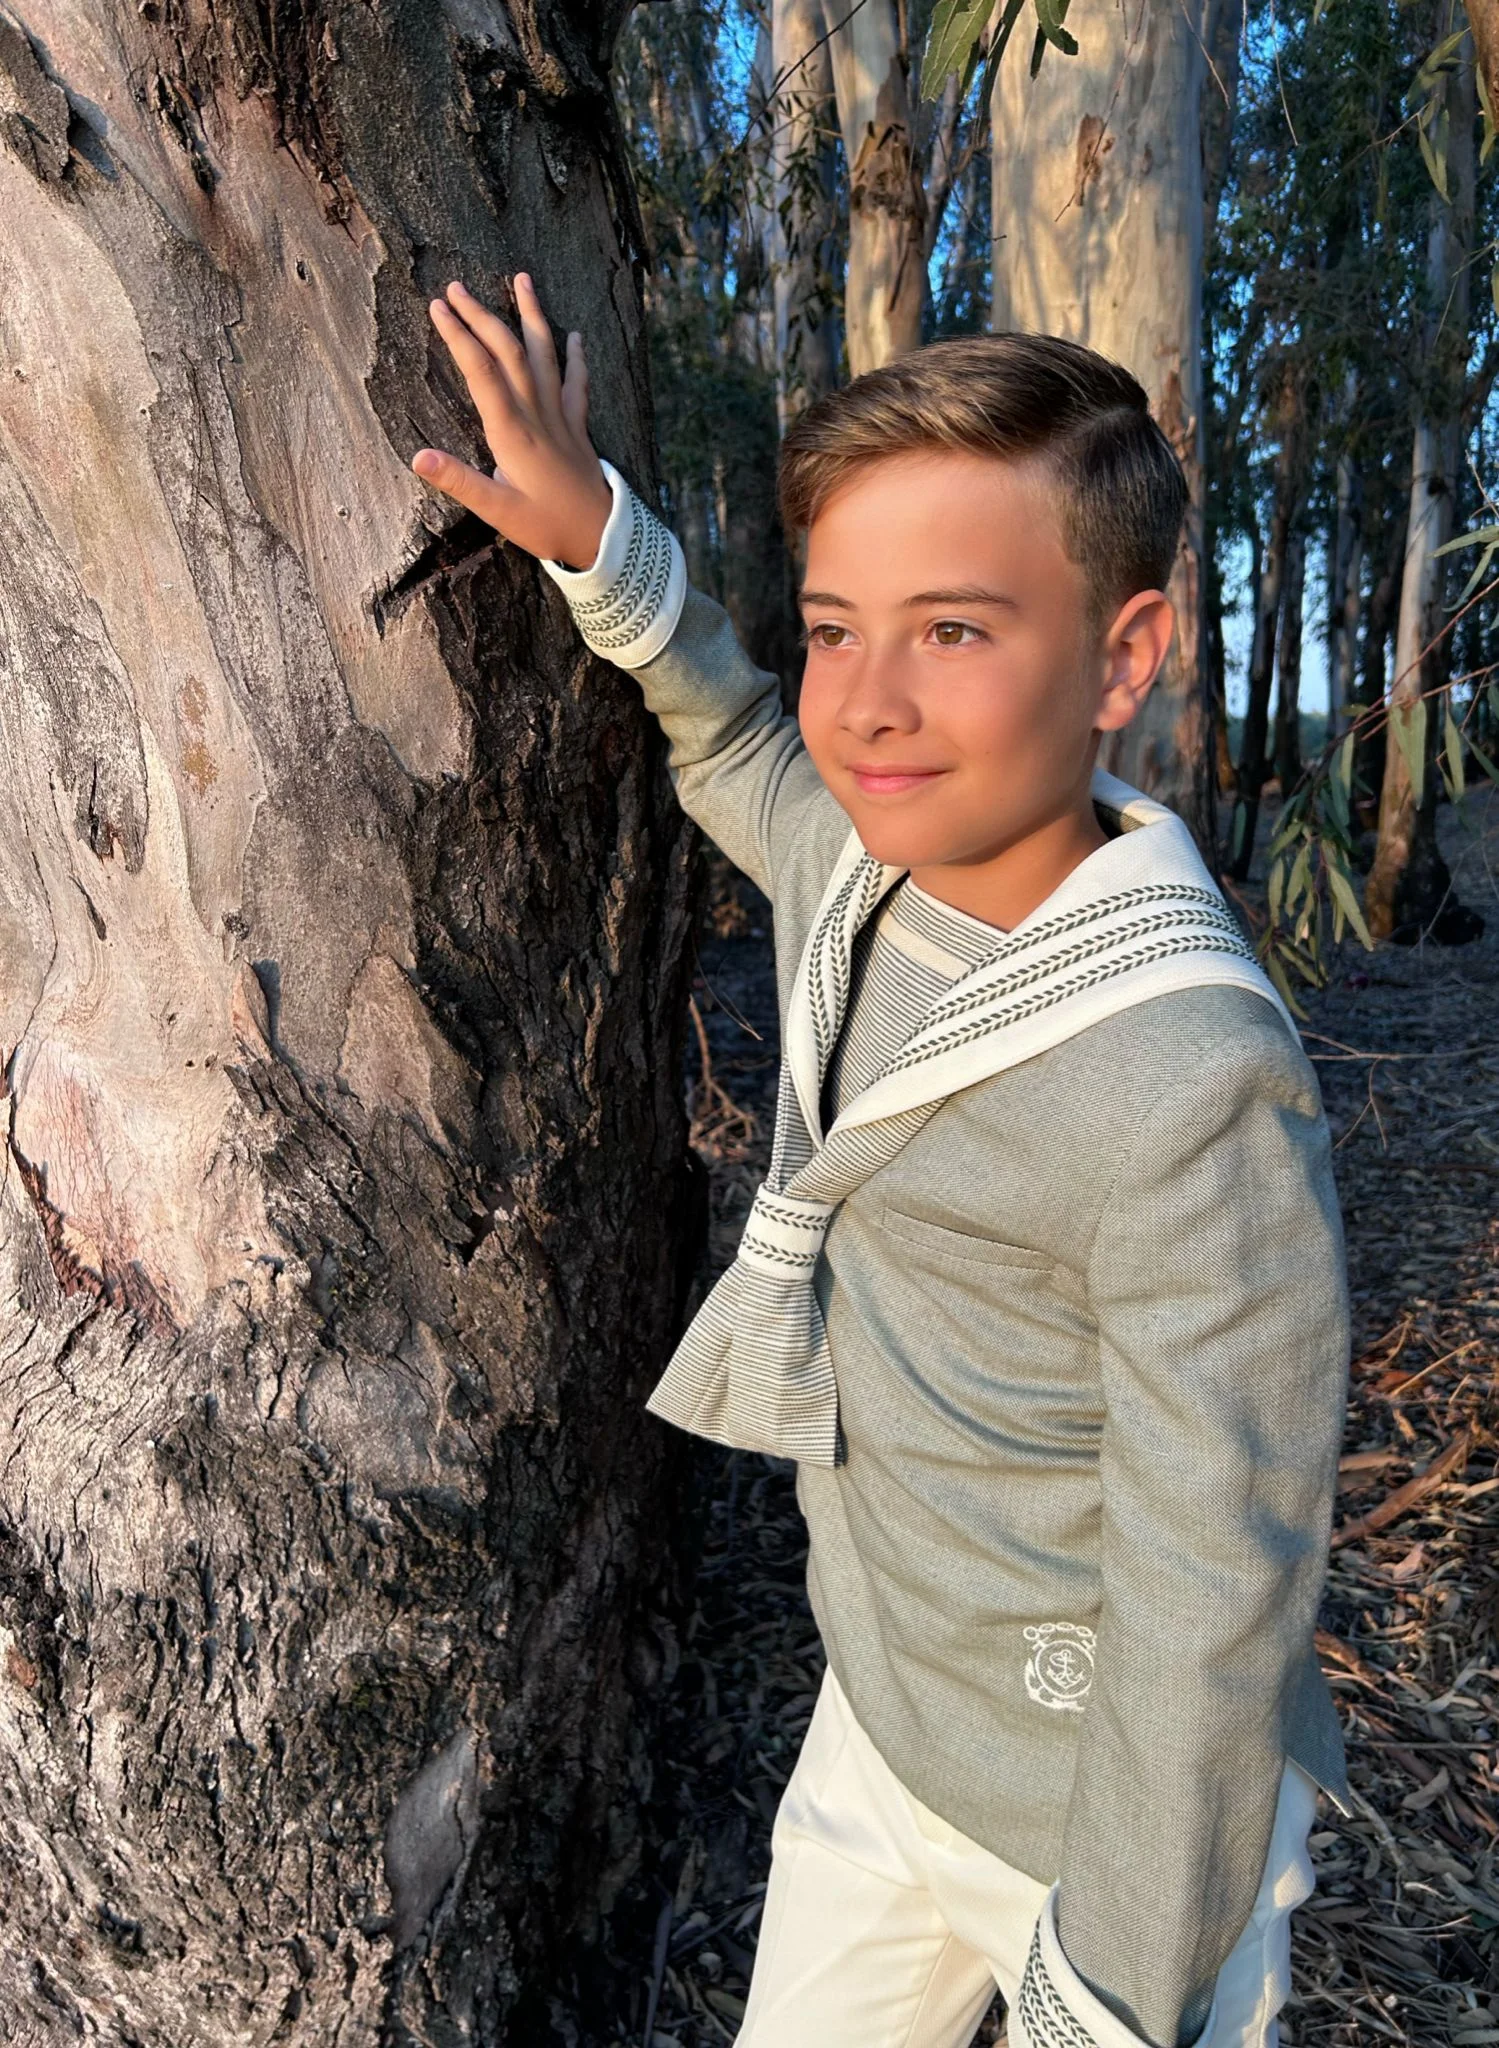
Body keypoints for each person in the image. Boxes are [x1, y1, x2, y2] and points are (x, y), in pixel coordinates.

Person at [409, 275, 1354, 2048]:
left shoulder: (1188, 1088)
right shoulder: (861, 879)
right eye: (840, 626)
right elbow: (739, 733)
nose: (867, 702)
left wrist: (1124, 1978)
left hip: (1107, 1802)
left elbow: (1214, 1589)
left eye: (956, 631)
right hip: (888, 1708)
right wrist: (594, 534)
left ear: (1126, 657)